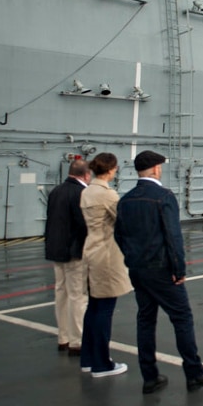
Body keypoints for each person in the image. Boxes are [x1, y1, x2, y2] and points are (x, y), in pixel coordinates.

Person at [114, 150, 203, 394]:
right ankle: (194, 372)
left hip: (138, 270)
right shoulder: (163, 197)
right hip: (163, 270)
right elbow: (173, 236)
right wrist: (179, 269)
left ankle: (150, 377)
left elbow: (119, 236)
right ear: (155, 169)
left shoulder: (125, 200)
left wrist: (133, 259)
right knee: (182, 318)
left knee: (145, 320)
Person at [79, 153, 132, 377]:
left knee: (93, 308)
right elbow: (124, 221)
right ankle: (102, 363)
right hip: (106, 255)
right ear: (111, 170)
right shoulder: (107, 194)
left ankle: (88, 358)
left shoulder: (87, 191)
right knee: (105, 310)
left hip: (91, 251)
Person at [45, 159, 91, 356]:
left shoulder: (56, 191)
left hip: (56, 250)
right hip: (75, 251)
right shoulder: (82, 193)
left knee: (61, 293)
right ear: (86, 175)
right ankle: (77, 341)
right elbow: (83, 225)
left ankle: (63, 338)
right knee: (78, 296)